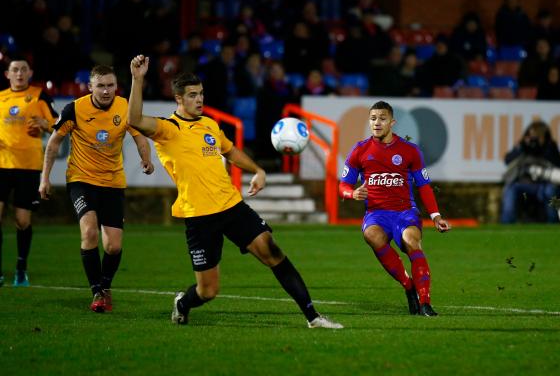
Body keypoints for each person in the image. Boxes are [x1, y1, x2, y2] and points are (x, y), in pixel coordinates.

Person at [127, 54, 342, 329]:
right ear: (178, 99)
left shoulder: (209, 125)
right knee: (208, 291)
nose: (199, 99)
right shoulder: (168, 129)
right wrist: (137, 79)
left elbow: (229, 151)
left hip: (231, 206)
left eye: (201, 94)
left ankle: (313, 317)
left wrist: (258, 171)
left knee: (272, 251)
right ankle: (183, 303)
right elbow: (133, 118)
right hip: (200, 216)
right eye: (192, 95)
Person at [39, 64, 154, 312]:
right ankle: (97, 292)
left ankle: (105, 286)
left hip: (112, 182)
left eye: (110, 85)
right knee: (89, 232)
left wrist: (146, 160)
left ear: (116, 87)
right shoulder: (75, 109)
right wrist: (44, 178)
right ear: (90, 87)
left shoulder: (124, 107)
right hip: (82, 179)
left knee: (113, 246)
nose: (105, 91)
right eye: (100, 86)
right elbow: (54, 143)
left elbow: (140, 137)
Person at [339, 101, 450, 317]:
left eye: (382, 118)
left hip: (404, 212)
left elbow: (424, 186)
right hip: (376, 214)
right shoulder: (360, 150)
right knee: (372, 235)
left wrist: (436, 216)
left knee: (412, 242)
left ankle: (425, 302)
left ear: (392, 122)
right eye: (373, 119)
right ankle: (408, 285)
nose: (377, 123)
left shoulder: (410, 151)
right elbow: (343, 184)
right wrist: (351, 193)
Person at [0, 57, 58, 287]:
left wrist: (44, 124)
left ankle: (21, 268)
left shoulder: (39, 95)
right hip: (2, 165)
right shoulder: (1, 97)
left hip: (28, 166)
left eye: (24, 69)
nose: (20, 73)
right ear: (7, 74)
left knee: (22, 221)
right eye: (15, 69)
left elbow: (58, 124)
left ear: (30, 72)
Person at [501, 121, 560, 224]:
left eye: (536, 137)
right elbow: (507, 160)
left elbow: (559, 165)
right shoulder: (523, 146)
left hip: (543, 184)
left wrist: (544, 147)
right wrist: (520, 147)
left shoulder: (550, 147)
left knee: (550, 191)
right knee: (510, 189)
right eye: (530, 136)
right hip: (523, 186)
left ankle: (553, 222)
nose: (533, 140)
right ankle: (506, 223)